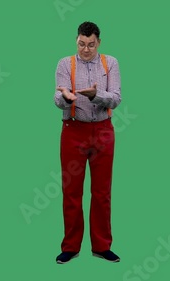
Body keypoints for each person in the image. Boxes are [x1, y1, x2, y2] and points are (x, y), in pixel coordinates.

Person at [53, 21, 122, 264]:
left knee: (102, 192)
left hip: (103, 131)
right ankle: (71, 246)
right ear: (76, 40)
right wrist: (65, 97)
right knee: (71, 191)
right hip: (73, 130)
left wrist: (96, 95)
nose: (86, 49)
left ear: (99, 42)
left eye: (91, 44)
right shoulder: (65, 64)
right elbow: (57, 97)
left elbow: (115, 99)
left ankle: (102, 246)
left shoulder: (110, 63)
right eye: (81, 44)